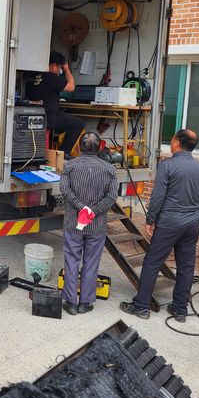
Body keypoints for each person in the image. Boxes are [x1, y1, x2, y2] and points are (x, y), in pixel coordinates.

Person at [120, 129, 199, 321]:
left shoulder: (167, 165)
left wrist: (151, 219)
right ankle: (180, 309)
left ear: (177, 142)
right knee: (186, 266)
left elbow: (158, 196)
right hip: (191, 223)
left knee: (153, 262)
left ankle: (141, 306)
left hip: (169, 222)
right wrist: (198, 219)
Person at [59, 132, 118, 315]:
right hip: (97, 225)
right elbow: (112, 197)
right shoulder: (109, 169)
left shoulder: (70, 166)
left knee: (71, 261)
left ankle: (70, 302)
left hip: (73, 222)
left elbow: (64, 190)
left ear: (79, 147)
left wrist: (81, 207)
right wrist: (93, 210)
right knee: (91, 263)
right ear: (100, 147)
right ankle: (85, 303)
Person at [26, 52, 84, 155]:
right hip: (49, 118)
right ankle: (62, 154)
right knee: (78, 123)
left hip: (33, 116)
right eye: (59, 68)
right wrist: (66, 69)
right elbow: (71, 87)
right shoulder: (51, 77)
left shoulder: (31, 75)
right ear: (53, 65)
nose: (59, 71)